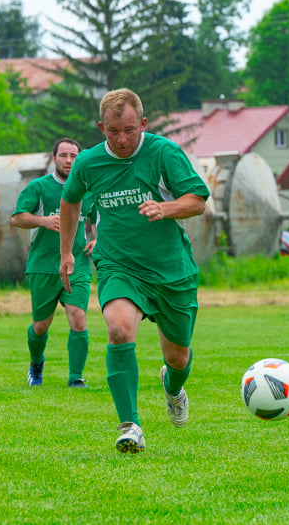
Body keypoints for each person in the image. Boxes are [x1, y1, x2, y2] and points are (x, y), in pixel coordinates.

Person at [59, 88, 210, 454]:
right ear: (101, 128)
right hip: (117, 264)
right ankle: (130, 425)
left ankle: (173, 388)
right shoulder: (88, 163)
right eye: (113, 131)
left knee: (178, 358)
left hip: (170, 270)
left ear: (143, 123)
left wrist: (166, 208)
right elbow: (70, 202)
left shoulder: (163, 153)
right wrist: (67, 252)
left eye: (129, 129)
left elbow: (198, 200)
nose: (122, 139)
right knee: (119, 329)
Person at [11, 138, 96, 388]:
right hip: (43, 266)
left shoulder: (88, 191)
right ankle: (36, 363)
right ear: (54, 158)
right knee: (40, 325)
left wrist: (98, 240)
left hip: (77, 264)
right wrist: (43, 221)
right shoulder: (38, 187)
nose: (69, 161)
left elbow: (104, 219)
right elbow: (17, 219)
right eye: (64, 155)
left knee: (79, 318)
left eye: (74, 156)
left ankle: (76, 378)